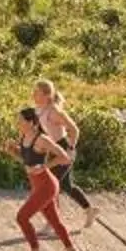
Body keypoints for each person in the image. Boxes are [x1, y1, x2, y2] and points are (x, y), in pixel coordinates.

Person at [12, 106, 79, 251]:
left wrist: (45, 166)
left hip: (47, 185)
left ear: (32, 122)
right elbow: (26, 161)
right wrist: (12, 152)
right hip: (38, 185)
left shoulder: (42, 139)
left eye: (20, 120)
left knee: (22, 217)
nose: (18, 123)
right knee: (55, 222)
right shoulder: (24, 137)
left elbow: (64, 157)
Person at [32, 78, 96, 230]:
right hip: (53, 150)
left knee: (50, 185)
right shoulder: (39, 110)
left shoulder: (54, 111)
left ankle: (52, 222)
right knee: (67, 185)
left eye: (37, 92)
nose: (33, 94)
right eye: (34, 91)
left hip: (64, 149)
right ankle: (90, 210)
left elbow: (74, 129)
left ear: (47, 96)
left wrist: (71, 149)